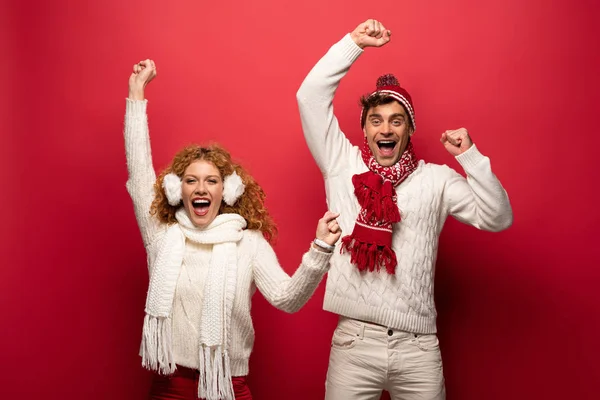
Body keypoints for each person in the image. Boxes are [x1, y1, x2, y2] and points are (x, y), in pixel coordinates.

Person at [296, 19, 513, 399]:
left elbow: (498, 217)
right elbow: (309, 97)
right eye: (376, 121)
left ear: (409, 130)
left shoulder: (437, 181)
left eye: (397, 121)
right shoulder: (341, 165)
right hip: (354, 344)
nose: (386, 129)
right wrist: (353, 44)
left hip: (419, 350)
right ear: (364, 129)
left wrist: (471, 157)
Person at [124, 59, 342, 400]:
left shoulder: (248, 243)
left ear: (226, 191)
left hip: (229, 386)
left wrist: (320, 249)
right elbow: (139, 173)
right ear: (175, 190)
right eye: (191, 181)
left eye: (211, 181)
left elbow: (287, 299)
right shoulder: (163, 236)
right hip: (171, 387)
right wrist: (136, 95)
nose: (200, 188)